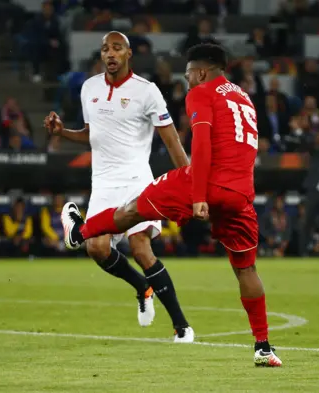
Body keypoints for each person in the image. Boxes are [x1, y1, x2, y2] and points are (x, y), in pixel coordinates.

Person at [60, 43, 282, 367]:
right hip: (241, 193)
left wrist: (199, 195)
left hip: (205, 181)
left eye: (189, 73)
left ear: (202, 72)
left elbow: (202, 142)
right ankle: (263, 346)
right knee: (246, 269)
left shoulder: (202, 92)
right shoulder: (244, 98)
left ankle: (79, 232)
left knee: (134, 208)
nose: (187, 79)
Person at [44, 31, 194, 341]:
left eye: (117, 48)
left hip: (137, 180)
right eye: (105, 49)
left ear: (128, 54)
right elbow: (92, 134)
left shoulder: (147, 91)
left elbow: (171, 141)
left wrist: (192, 184)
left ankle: (182, 326)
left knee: (140, 248)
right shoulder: (89, 89)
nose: (110, 54)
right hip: (103, 183)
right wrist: (62, 133)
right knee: (96, 248)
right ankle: (142, 287)